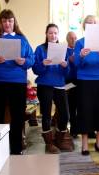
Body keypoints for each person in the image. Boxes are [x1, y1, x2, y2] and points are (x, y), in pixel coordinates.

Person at [0, 9, 35, 155]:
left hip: (17, 82)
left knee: (17, 116)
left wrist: (24, 61)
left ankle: (16, 149)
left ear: (14, 22)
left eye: (10, 21)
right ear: (0, 22)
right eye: (4, 21)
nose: (7, 24)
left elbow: (32, 59)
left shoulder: (22, 39)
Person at [74, 15, 99, 156]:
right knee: (85, 111)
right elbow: (76, 64)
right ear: (85, 26)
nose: (92, 25)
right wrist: (82, 56)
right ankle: (84, 144)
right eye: (89, 23)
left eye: (94, 23)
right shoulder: (80, 43)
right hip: (84, 80)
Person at [32, 23, 72, 154]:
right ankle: (49, 143)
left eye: (55, 33)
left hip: (60, 85)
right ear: (46, 34)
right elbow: (35, 69)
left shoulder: (63, 49)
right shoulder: (40, 49)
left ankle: (59, 141)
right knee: (46, 115)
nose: (53, 35)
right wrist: (42, 64)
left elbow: (67, 73)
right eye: (50, 33)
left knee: (65, 115)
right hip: (45, 85)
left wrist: (65, 65)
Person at [65, 31, 78, 138]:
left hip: (79, 81)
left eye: (75, 38)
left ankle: (78, 129)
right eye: (71, 38)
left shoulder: (79, 49)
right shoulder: (64, 50)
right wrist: (69, 60)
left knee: (79, 106)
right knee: (70, 106)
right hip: (68, 82)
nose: (73, 40)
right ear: (67, 39)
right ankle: (70, 129)